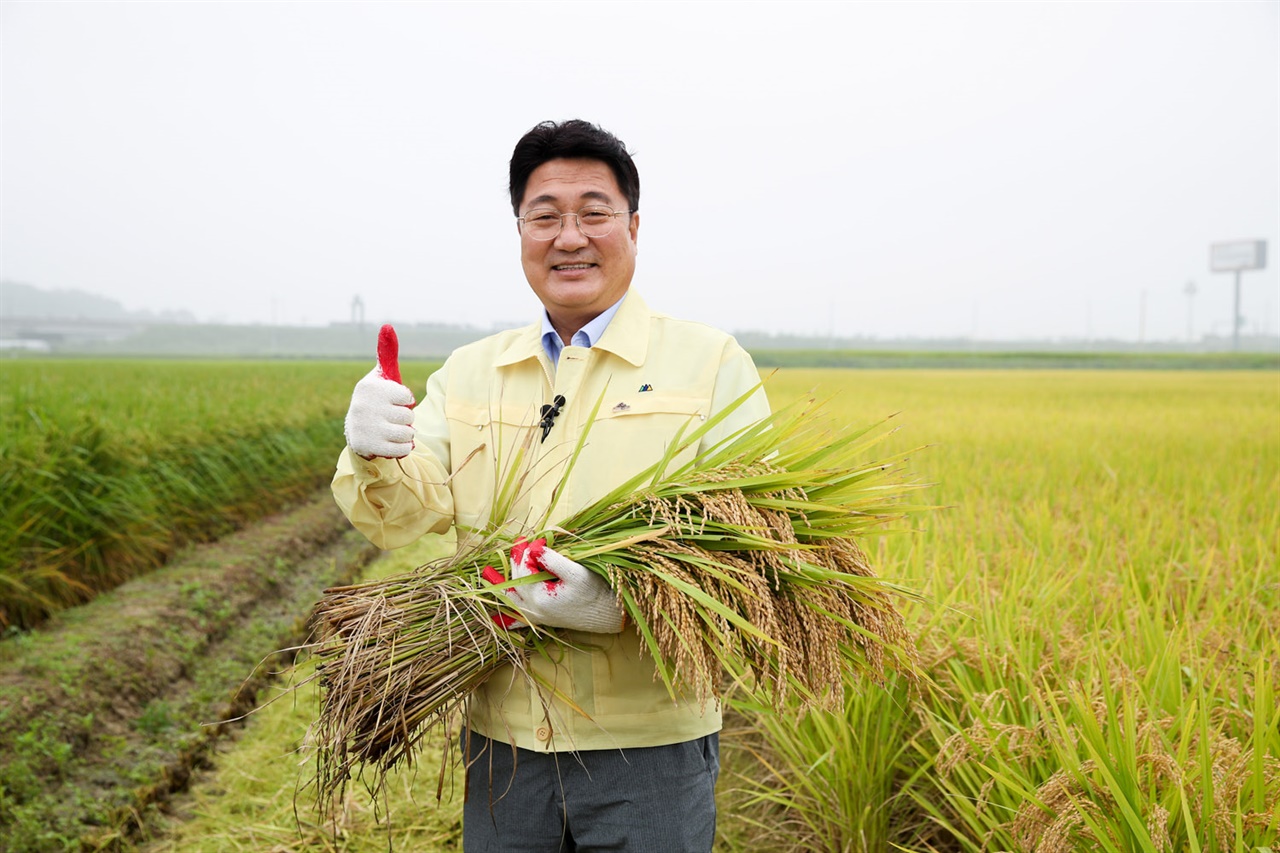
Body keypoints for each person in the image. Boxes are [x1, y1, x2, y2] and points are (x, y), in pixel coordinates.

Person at [333, 119, 769, 852]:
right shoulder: (472, 373)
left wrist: (620, 604)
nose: (569, 236)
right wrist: (375, 449)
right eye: (545, 216)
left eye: (594, 212)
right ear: (520, 232)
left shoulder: (710, 365)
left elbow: (751, 551)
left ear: (633, 225)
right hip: (504, 747)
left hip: (648, 751)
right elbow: (404, 517)